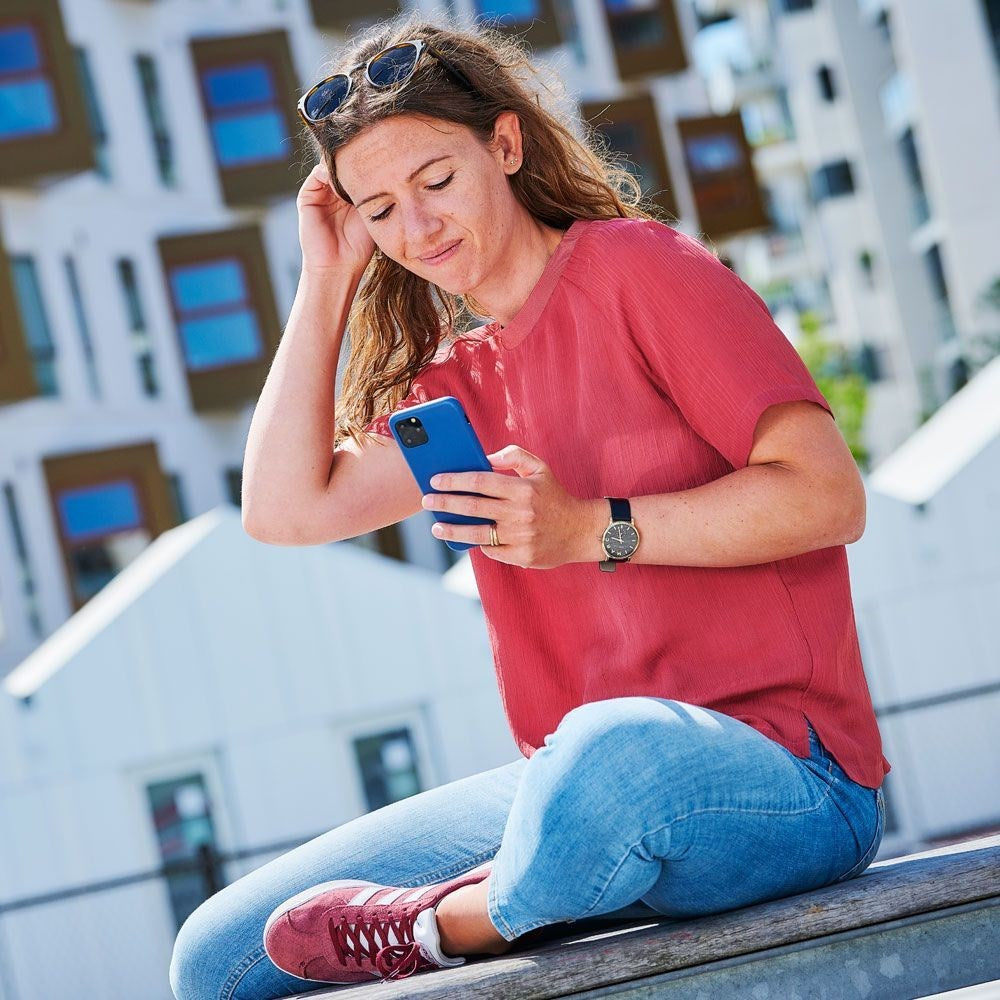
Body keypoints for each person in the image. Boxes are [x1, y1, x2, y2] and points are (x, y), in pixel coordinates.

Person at [169, 12, 890, 999]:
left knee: (611, 750)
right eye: (378, 209)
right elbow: (285, 510)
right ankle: (496, 898)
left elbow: (826, 494)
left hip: (785, 778)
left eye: (435, 182)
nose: (416, 230)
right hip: (573, 802)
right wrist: (326, 276)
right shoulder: (445, 392)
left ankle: (451, 923)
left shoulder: (639, 269)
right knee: (217, 956)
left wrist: (590, 529)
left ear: (503, 145)